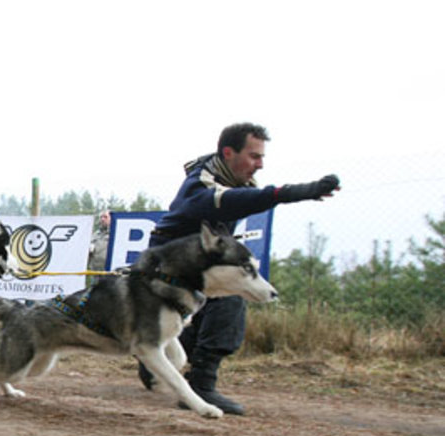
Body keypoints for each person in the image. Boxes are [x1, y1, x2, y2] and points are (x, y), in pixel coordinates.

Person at [138, 122, 340, 415]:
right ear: (229, 152)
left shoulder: (237, 178)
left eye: (262, 158)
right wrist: (298, 191)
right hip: (165, 271)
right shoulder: (201, 184)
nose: (259, 165)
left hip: (200, 268)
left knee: (222, 300)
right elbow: (235, 202)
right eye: (254, 156)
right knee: (232, 294)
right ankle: (200, 384)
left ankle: (163, 362)